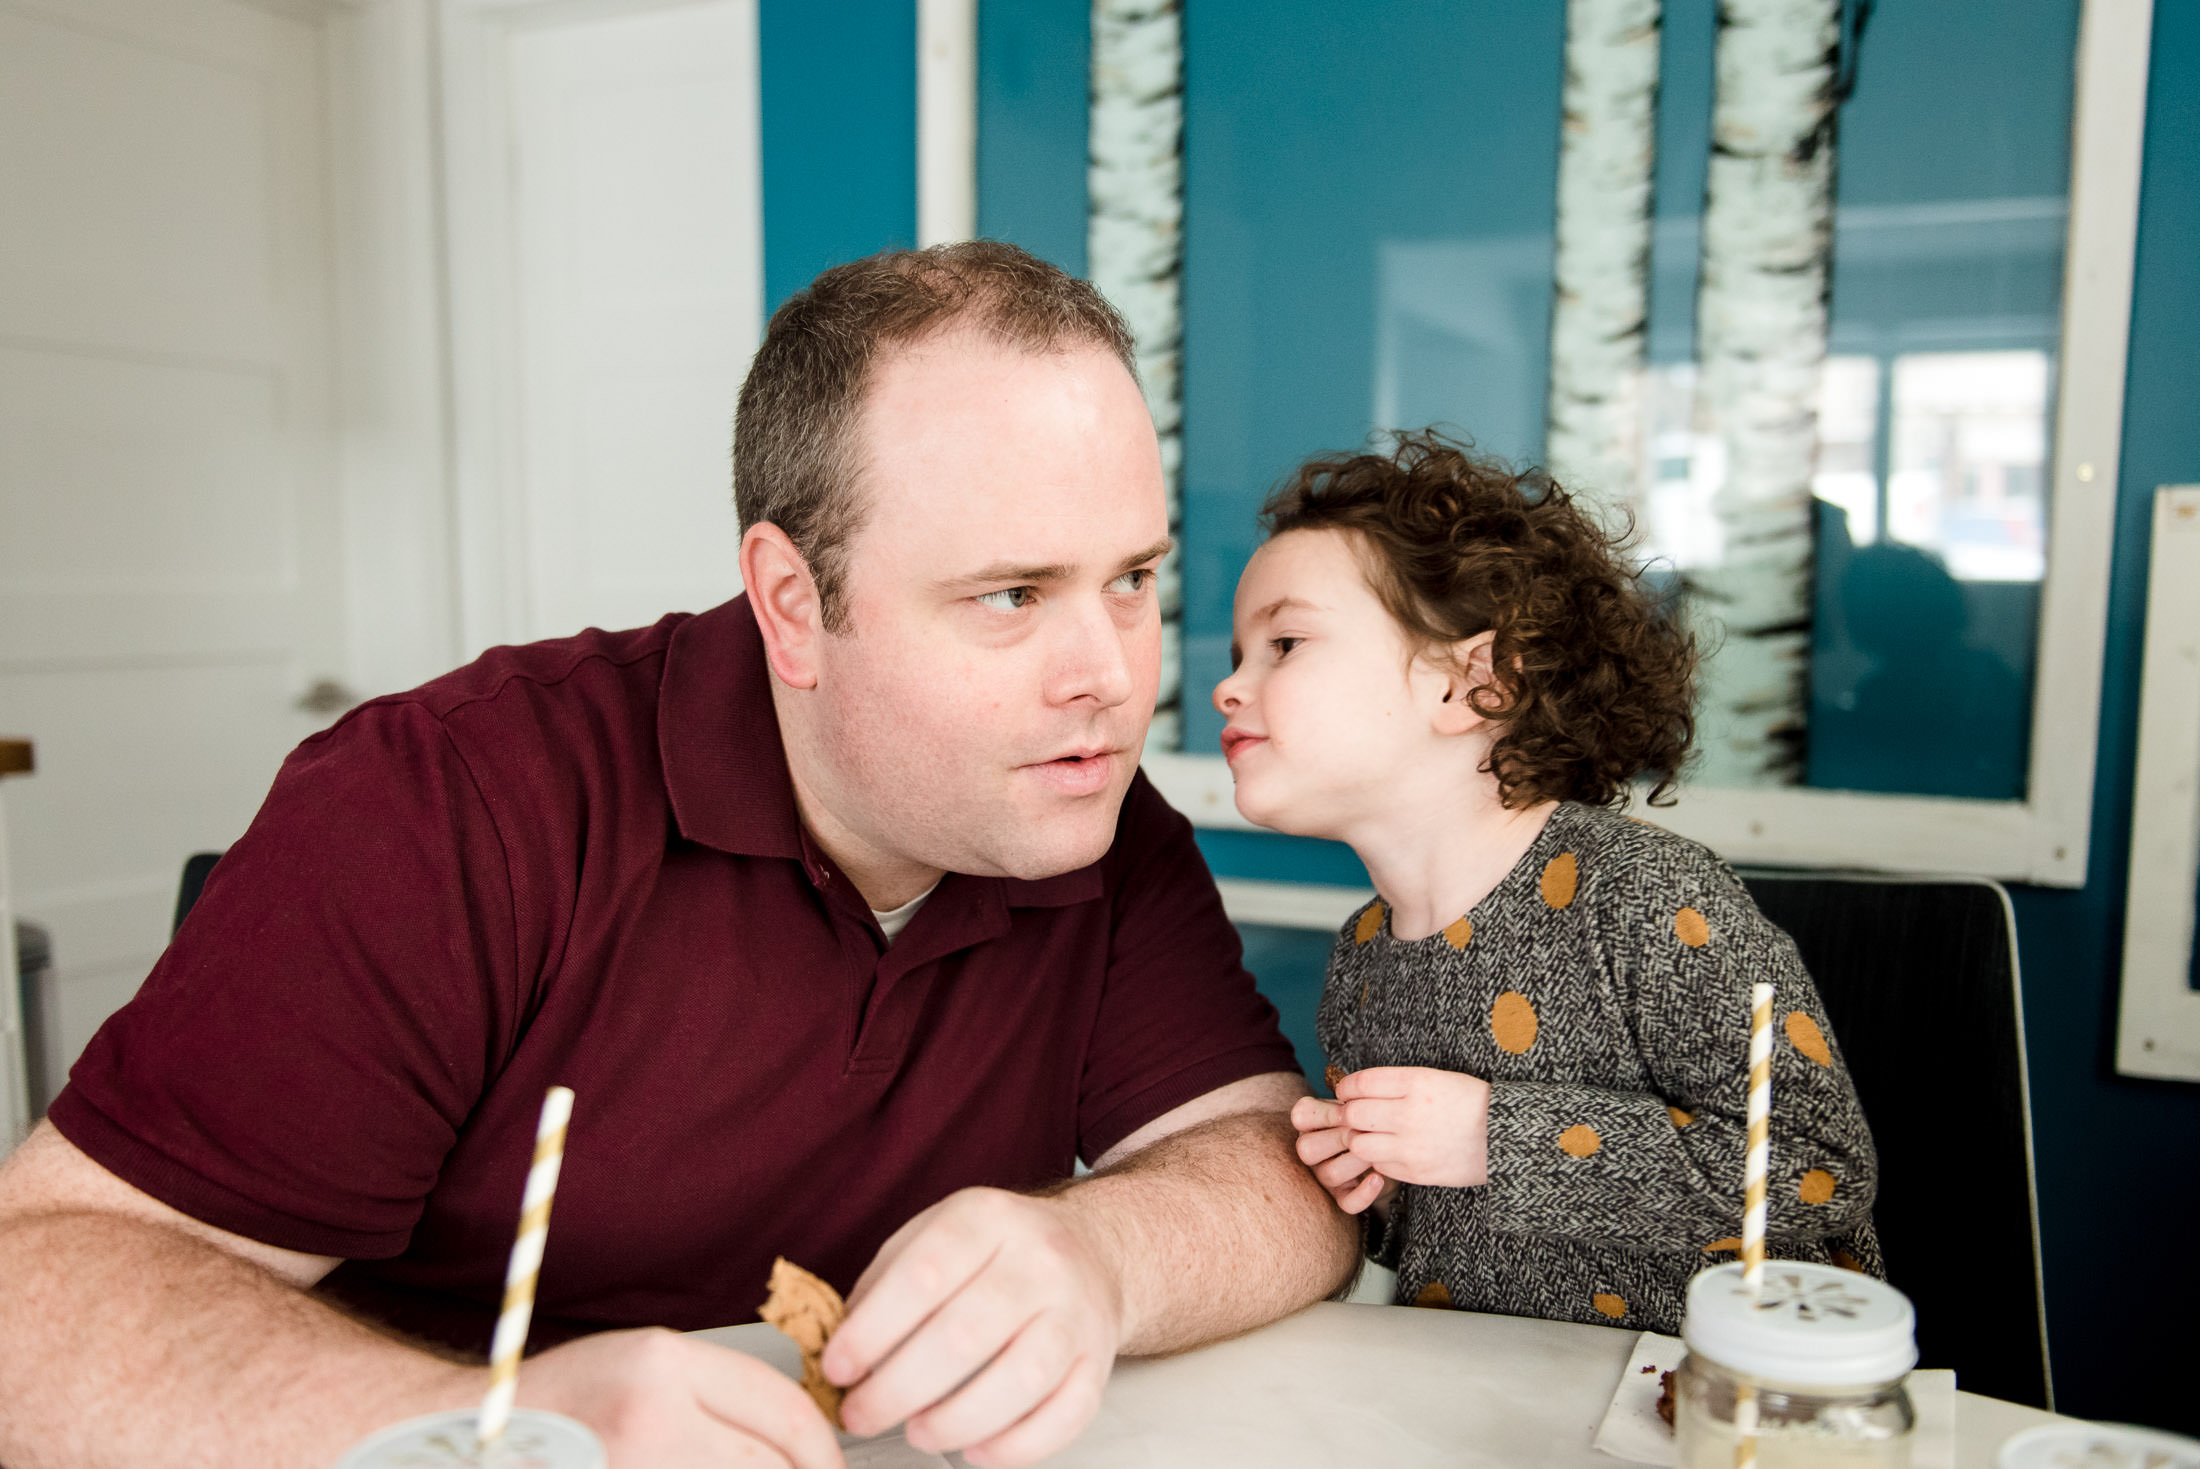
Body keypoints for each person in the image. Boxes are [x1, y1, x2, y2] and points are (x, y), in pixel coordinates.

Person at [0, 243, 1357, 1469]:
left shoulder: (1097, 828)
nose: (1113, 680)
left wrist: (1103, 1251)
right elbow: (37, 1290)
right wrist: (487, 1426)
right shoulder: (449, 802)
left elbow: (1277, 1171)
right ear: (791, 605)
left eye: (1131, 579)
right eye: (1011, 595)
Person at [1215, 432, 1882, 1334]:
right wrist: (1368, 1186)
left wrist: (1498, 1137)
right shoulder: (1362, 959)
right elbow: (1446, 1232)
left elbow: (1818, 1168)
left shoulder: (1649, 897)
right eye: (1237, 652)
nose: (1228, 687)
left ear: (1473, 686)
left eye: (1284, 643)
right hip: (1495, 1408)